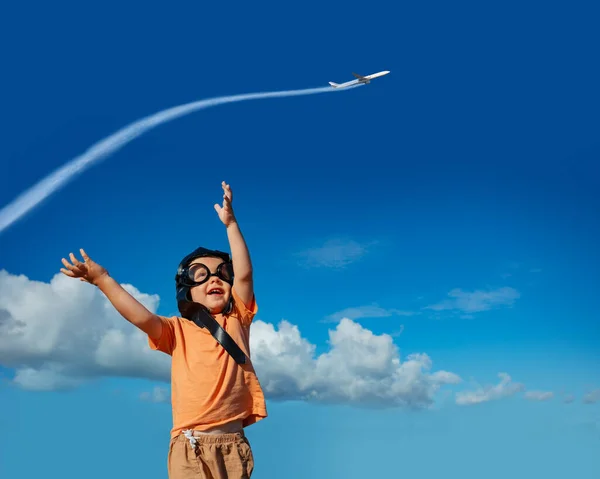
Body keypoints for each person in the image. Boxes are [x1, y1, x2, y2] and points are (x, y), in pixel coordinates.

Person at [60, 181, 268, 479]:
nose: (214, 280)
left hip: (234, 444)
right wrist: (102, 279)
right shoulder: (176, 330)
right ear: (187, 291)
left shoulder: (238, 316)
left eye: (222, 274)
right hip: (191, 444)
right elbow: (141, 318)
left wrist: (231, 224)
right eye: (201, 275)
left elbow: (245, 274)